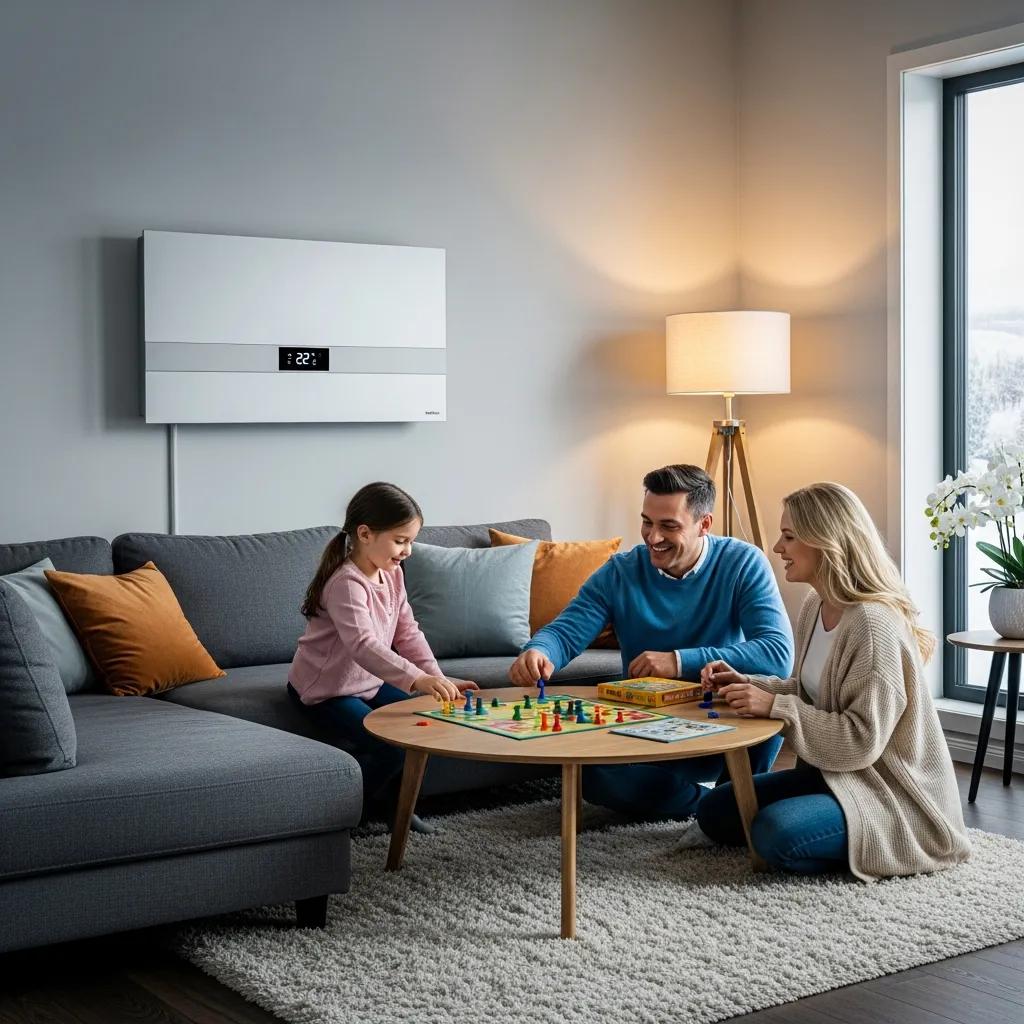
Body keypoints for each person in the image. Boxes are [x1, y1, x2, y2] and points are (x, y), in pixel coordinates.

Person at [696, 482, 971, 880]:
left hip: (891, 794)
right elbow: (812, 693)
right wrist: (748, 684)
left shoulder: (872, 625)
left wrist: (775, 707)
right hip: (829, 775)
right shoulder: (816, 605)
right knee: (716, 811)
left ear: (825, 542)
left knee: (774, 833)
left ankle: (873, 846)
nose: (777, 548)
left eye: (789, 537)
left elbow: (861, 740)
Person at [508, 464, 794, 820]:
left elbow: (777, 654)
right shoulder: (620, 571)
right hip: (647, 723)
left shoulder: (743, 562)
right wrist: (539, 650)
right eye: (647, 522)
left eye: (668, 526)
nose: (652, 537)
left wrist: (678, 661)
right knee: (591, 775)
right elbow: (566, 630)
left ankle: (717, 800)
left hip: (722, 718)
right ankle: (717, 806)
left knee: (775, 705)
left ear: (704, 524)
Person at [288, 481, 477, 831]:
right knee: (391, 747)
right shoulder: (347, 583)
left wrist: (438, 678)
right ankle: (348, 815)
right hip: (326, 691)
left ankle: (397, 807)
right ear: (365, 534)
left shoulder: (392, 575)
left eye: (411, 542)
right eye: (401, 540)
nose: (408, 550)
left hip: (370, 683)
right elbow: (363, 645)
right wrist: (416, 679)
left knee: (422, 726)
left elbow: (408, 631)